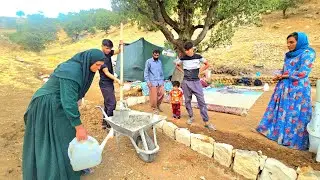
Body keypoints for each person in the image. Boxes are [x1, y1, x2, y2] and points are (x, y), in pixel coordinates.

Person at [23, 49, 106, 180]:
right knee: (53, 139)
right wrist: (79, 127)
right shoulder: (72, 72)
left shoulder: (81, 67)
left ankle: (73, 166)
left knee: (65, 135)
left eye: (101, 65)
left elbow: (71, 97)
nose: (99, 68)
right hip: (46, 105)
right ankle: (54, 173)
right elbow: (68, 102)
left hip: (57, 102)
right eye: (97, 65)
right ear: (89, 61)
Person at [256, 32, 316, 150]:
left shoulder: (308, 54)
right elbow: (284, 69)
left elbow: (303, 73)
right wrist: (279, 75)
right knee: (282, 110)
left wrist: (284, 76)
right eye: (287, 42)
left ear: (300, 42)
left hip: (298, 90)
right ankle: (278, 134)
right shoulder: (288, 55)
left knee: (294, 112)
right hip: (284, 87)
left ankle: (291, 139)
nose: (288, 45)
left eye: (292, 42)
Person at [175, 41, 216, 131]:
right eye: (185, 50)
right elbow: (177, 65)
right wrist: (183, 71)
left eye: (188, 50)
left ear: (192, 49)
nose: (186, 52)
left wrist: (199, 72)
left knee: (201, 101)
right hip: (186, 82)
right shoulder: (183, 58)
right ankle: (191, 117)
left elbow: (207, 64)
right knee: (187, 101)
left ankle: (206, 122)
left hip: (196, 82)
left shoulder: (198, 57)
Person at [99, 39, 123, 129]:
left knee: (107, 104)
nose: (109, 50)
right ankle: (110, 125)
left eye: (110, 48)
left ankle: (104, 123)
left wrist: (120, 45)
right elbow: (106, 72)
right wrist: (117, 80)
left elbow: (119, 51)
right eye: (107, 48)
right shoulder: (101, 58)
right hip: (105, 84)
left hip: (109, 83)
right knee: (112, 104)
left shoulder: (108, 53)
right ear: (102, 46)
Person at [144, 49, 165, 114]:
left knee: (162, 94)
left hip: (160, 81)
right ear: (152, 54)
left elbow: (161, 72)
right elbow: (146, 72)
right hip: (152, 82)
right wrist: (148, 82)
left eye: (157, 55)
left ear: (159, 55)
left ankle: (158, 105)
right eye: (155, 55)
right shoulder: (148, 61)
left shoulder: (159, 62)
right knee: (153, 96)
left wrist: (162, 80)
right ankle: (154, 108)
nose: (156, 56)